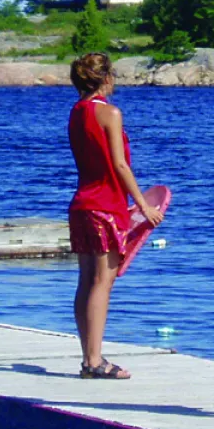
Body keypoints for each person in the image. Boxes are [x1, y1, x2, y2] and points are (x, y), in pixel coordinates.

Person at [67, 52, 162, 379]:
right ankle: (94, 361)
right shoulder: (110, 113)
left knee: (86, 282)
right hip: (106, 206)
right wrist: (144, 206)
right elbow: (120, 165)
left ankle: (88, 356)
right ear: (106, 78)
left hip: (81, 204)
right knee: (102, 283)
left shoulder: (76, 112)